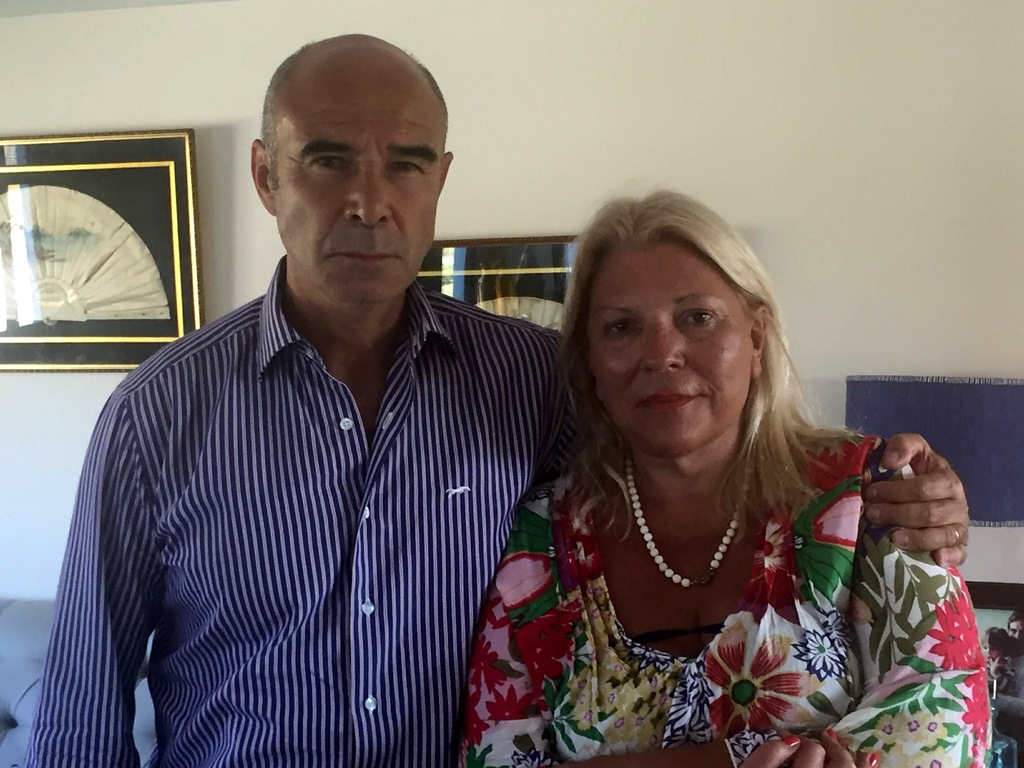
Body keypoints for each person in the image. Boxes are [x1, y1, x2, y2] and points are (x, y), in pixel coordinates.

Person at [27, 35, 971, 768]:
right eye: (327, 160)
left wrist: (929, 495)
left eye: (406, 162)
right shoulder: (159, 416)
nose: (369, 200)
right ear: (267, 176)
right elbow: (81, 708)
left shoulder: (528, 380)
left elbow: (675, 444)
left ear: (440, 179)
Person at [460, 191, 989, 768]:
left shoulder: (866, 497)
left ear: (756, 339)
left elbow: (946, 729)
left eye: (698, 317)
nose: (662, 353)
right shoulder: (538, 548)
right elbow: (492, 756)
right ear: (590, 363)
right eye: (621, 327)